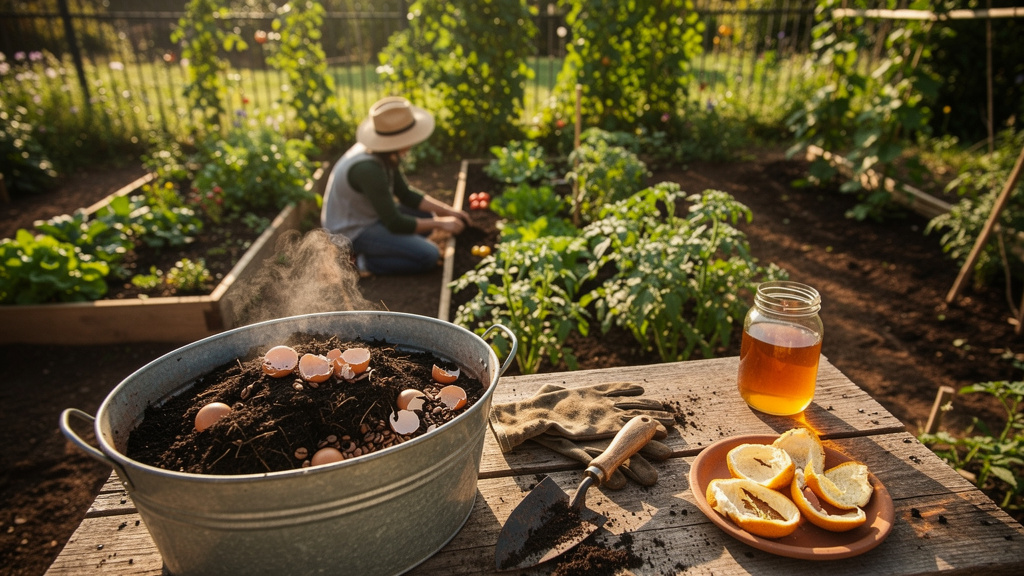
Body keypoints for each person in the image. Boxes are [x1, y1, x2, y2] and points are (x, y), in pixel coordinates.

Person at [321, 96, 469, 275]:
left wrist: (449, 211)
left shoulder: (384, 154)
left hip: (369, 216)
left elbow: (405, 194)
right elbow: (394, 222)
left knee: (424, 216)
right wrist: (441, 223)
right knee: (429, 255)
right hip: (351, 232)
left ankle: (387, 248)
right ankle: (360, 262)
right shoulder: (368, 169)